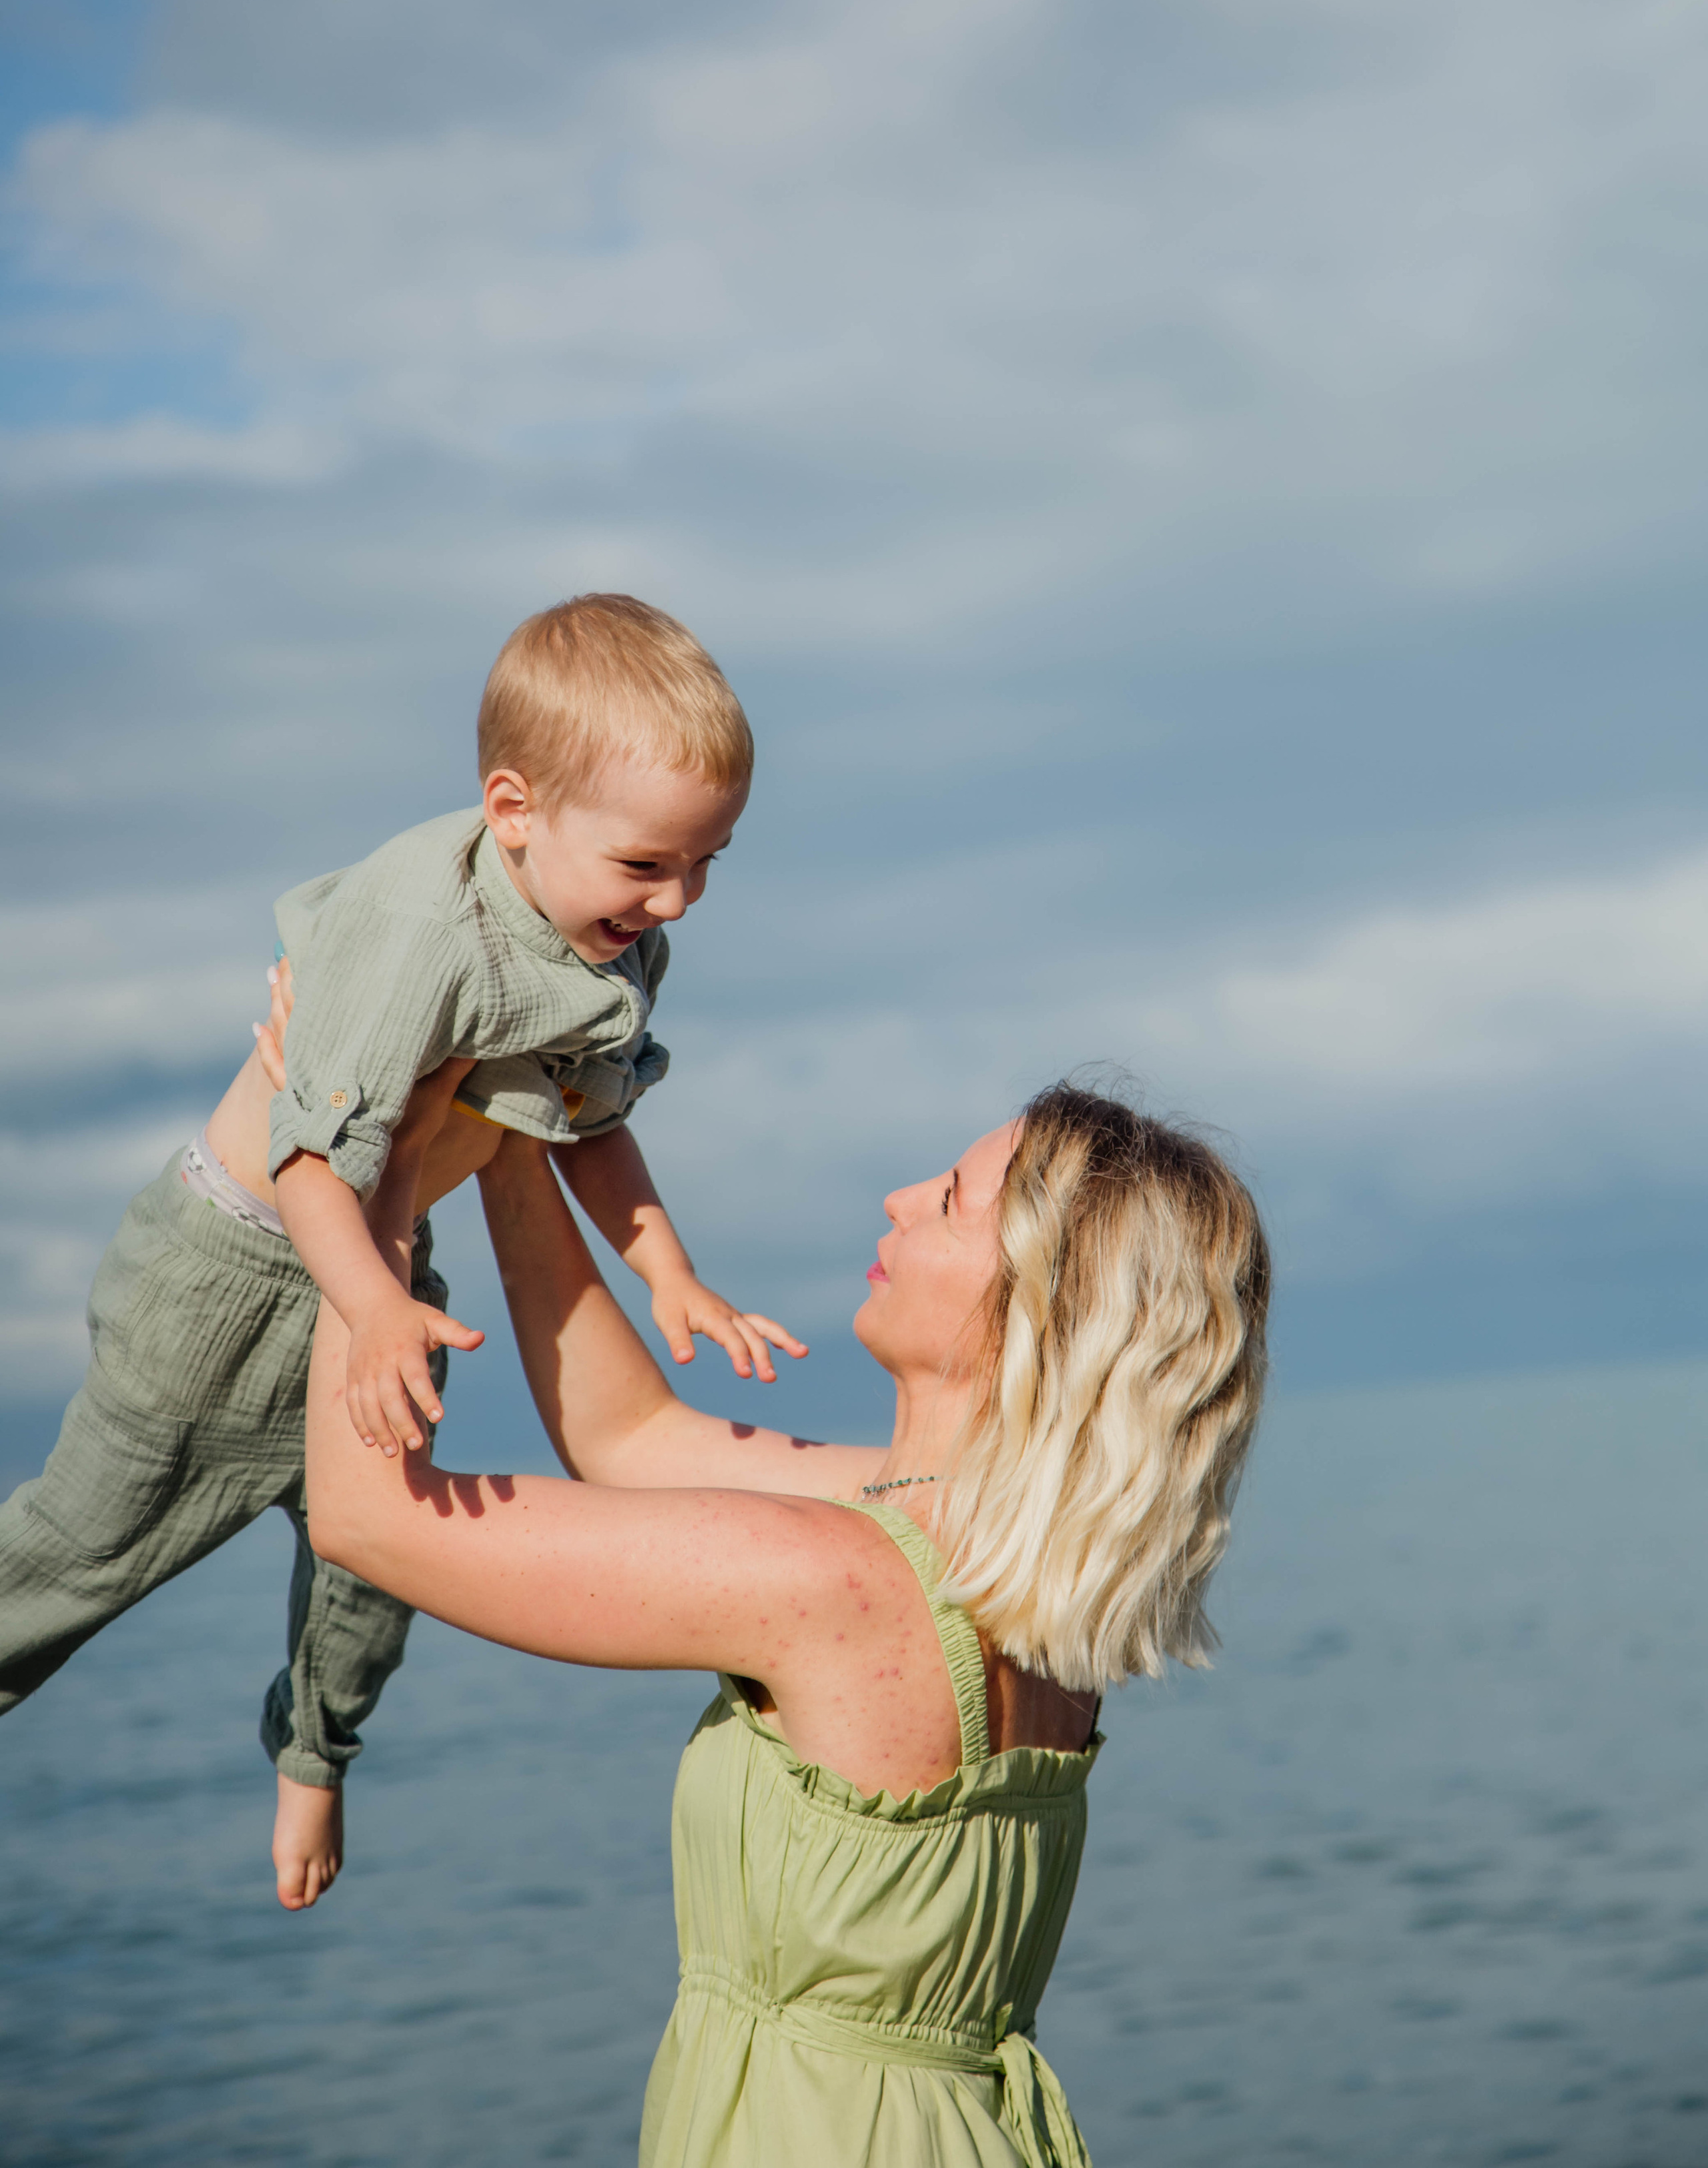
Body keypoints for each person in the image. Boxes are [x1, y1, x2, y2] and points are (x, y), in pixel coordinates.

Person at [298, 1043, 1270, 2167]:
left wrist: (369, 1153)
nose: (903, 1202)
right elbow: (633, 1440)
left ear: (1037, 1309)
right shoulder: (1017, 1572)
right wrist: (514, 1136)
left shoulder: (839, 1583)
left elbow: (365, 1518)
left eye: (951, 1201)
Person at [0, 594, 800, 1913]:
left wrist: (667, 1271)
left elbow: (590, 1123)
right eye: (650, 864)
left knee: (387, 1556)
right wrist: (369, 1308)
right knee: (86, 1550)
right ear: (514, 806)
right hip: (239, 1271)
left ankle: (313, 1752)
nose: (679, 900)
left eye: (709, 862)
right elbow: (313, 1160)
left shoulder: (615, 938)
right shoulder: (420, 932)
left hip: (383, 1279)